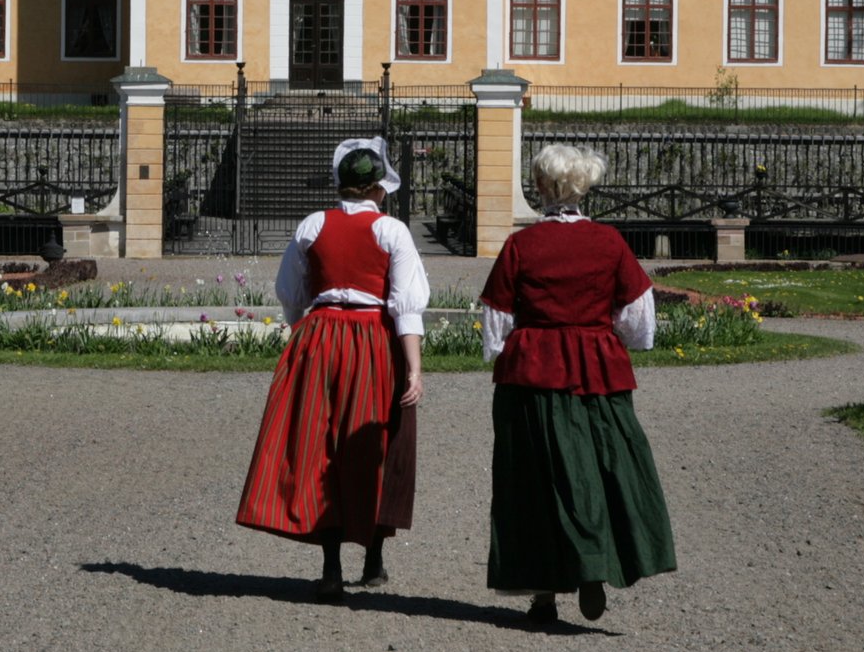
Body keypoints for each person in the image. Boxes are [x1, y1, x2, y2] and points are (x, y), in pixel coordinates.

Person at [478, 143, 677, 623]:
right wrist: (599, 333)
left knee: (534, 479)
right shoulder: (610, 242)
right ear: (583, 187)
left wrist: (512, 350)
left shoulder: (521, 245)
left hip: (533, 373)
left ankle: (544, 594)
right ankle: (594, 566)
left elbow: (497, 321)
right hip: (596, 373)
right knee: (601, 471)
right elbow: (638, 323)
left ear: (543, 188)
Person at [236, 137, 429, 601]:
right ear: (378, 189)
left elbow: (290, 293)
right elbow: (406, 307)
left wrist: (307, 331)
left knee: (319, 444)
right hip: (371, 340)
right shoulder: (392, 231)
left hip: (319, 339)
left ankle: (330, 569)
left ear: (341, 184)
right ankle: (374, 560)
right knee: (373, 442)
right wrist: (414, 368)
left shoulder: (311, 224)